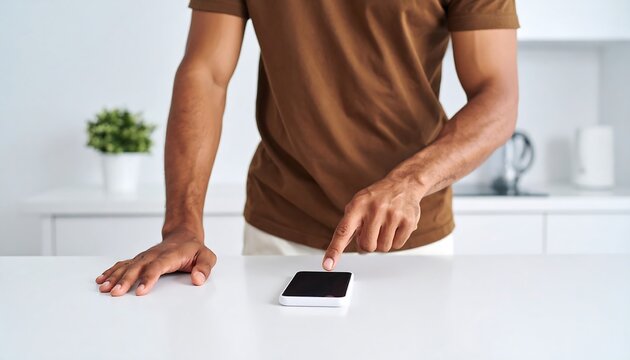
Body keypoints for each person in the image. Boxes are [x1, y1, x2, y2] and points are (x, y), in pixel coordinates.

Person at [96, 0, 519, 296]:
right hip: (279, 231)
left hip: (411, 237)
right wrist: (182, 228)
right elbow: (205, 73)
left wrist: (411, 181)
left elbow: (497, 97)